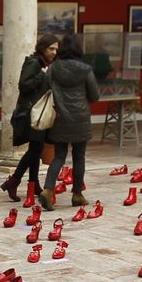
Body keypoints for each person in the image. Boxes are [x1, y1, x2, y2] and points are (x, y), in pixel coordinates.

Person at [42, 33, 101, 210]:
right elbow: (94, 95)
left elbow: (46, 89)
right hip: (80, 118)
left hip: (60, 117)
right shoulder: (85, 69)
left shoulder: (53, 68)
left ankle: (48, 190)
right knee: (79, 157)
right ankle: (77, 194)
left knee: (59, 156)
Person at [1, 33, 60, 201]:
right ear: (42, 48)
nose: (54, 52)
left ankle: (33, 184)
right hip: (31, 114)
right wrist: (43, 74)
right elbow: (23, 85)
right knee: (35, 149)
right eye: (51, 48)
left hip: (37, 113)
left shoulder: (44, 63)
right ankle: (14, 180)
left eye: (56, 49)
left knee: (36, 149)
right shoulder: (35, 63)